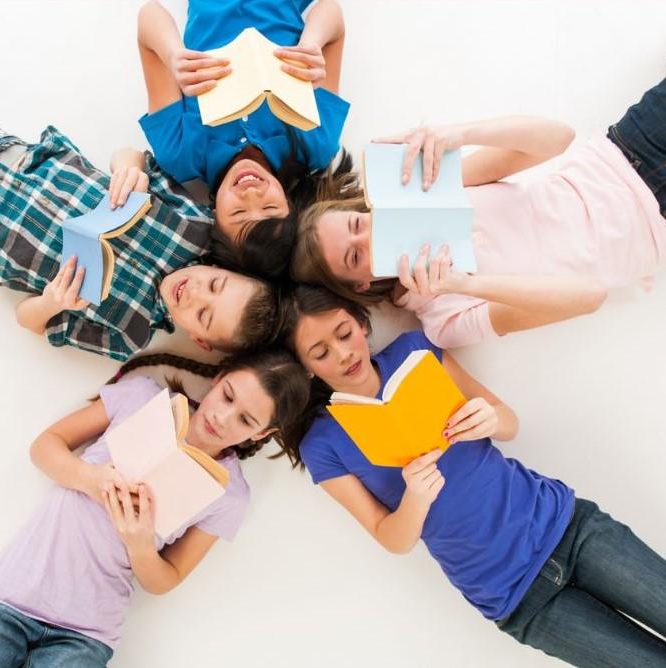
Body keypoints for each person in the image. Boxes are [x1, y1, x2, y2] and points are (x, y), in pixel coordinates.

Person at [277, 284, 666, 667]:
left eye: (344, 333)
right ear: (307, 370)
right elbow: (390, 538)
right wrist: (416, 496)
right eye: (320, 353)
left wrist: (488, 417)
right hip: (520, 600)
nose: (343, 354)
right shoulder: (322, 445)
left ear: (361, 323)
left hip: (570, 529)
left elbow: (508, 422)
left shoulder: (416, 353)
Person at [0, 348, 310, 667]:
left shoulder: (229, 494)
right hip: (7, 601)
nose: (223, 418)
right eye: (228, 396)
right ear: (218, 378)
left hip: (84, 634)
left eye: (246, 420)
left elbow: (166, 579)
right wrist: (91, 479)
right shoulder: (142, 399)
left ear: (261, 434)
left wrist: (140, 543)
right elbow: (45, 446)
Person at [291, 77, 666, 348]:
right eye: (356, 255)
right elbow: (590, 296)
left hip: (630, 146)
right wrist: (461, 283)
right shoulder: (445, 319)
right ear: (361, 283)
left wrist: (459, 135)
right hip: (656, 227)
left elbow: (559, 138)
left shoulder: (429, 194)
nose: (369, 236)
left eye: (358, 224)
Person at [0, 98, 278, 360]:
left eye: (204, 315)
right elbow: (131, 155)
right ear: (219, 269)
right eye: (215, 285)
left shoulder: (127, 334)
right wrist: (128, 170)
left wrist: (53, 303)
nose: (196, 294)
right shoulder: (194, 225)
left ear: (200, 340)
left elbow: (30, 321)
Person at [137, 0, 351, 278]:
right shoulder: (314, 143)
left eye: (238, 214)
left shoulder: (179, 153)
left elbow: (148, 16)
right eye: (270, 207)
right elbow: (332, 14)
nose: (251, 194)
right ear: (289, 202)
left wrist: (173, 55)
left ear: (214, 214)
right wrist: (311, 45)